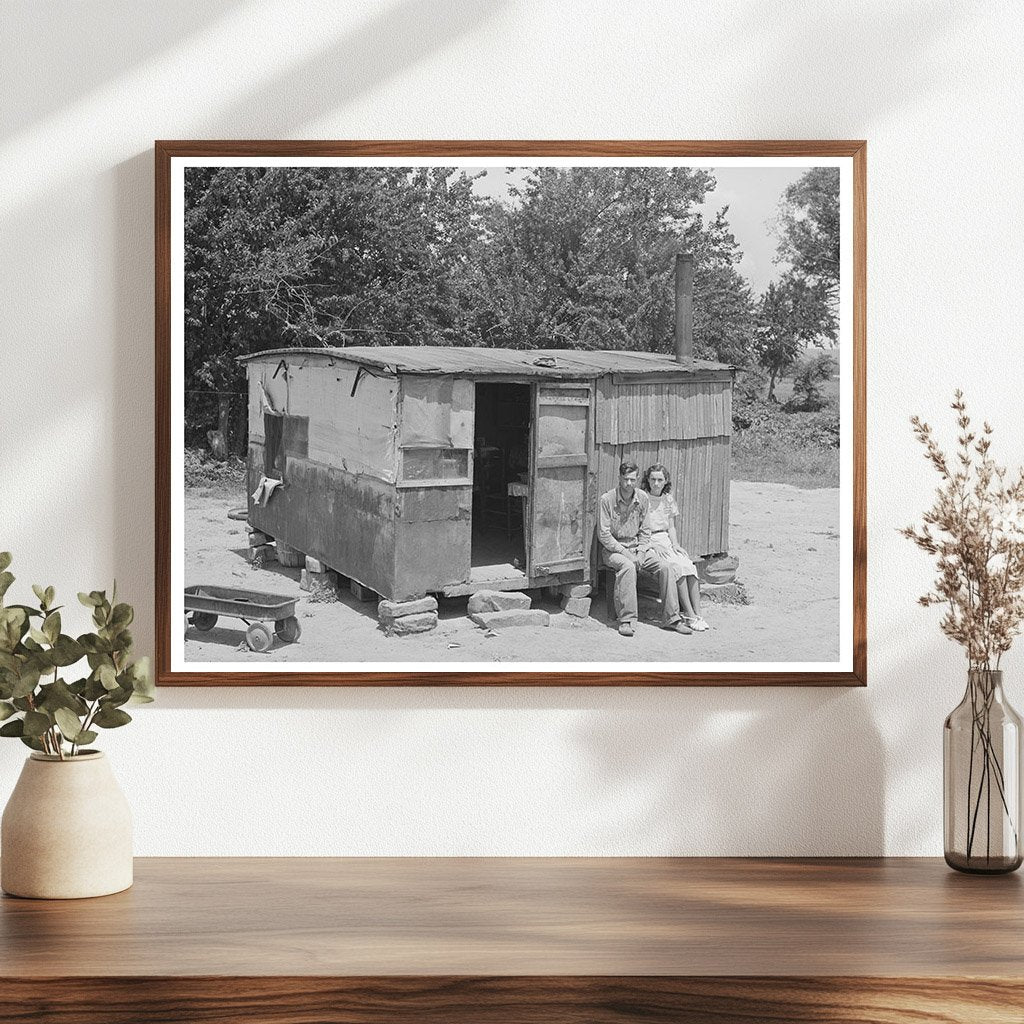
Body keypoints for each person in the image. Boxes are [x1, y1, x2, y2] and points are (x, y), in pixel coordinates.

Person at [597, 460, 692, 638]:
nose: (629, 484)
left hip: (638, 548)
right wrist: (627, 554)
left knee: (667, 567)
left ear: (637, 478)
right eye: (625, 479)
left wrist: (641, 551)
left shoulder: (642, 498)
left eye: (632, 480)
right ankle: (627, 620)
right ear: (619, 478)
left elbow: (645, 530)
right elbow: (604, 535)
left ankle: (671, 619)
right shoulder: (607, 500)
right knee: (628, 567)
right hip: (614, 552)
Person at [641, 464, 709, 632]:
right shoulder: (642, 498)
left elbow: (671, 526)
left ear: (665, 481)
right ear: (647, 480)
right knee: (676, 568)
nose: (656, 483)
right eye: (653, 479)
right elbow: (638, 527)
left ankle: (698, 615)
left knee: (688, 565)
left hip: (666, 539)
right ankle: (689, 615)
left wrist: (676, 544)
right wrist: (652, 545)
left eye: (660, 480)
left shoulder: (668, 499)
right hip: (650, 540)